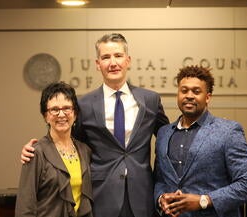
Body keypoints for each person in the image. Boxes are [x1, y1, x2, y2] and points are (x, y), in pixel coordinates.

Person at [21, 33, 170, 217]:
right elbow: (66, 139)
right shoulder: (84, 105)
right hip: (101, 198)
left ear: (128, 60)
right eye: (106, 57)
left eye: (118, 55)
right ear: (98, 64)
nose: (112, 62)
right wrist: (36, 150)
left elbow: (167, 141)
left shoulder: (150, 100)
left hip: (142, 196)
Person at [154, 65, 247, 217]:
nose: (189, 95)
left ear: (208, 97)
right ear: (178, 94)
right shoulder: (163, 134)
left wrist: (204, 200)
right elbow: (159, 180)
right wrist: (160, 198)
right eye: (184, 90)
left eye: (196, 91)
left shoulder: (228, 131)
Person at [15, 81, 93, 217]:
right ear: (45, 116)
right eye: (54, 109)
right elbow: (25, 207)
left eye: (67, 108)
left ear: (75, 114)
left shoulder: (84, 150)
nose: (61, 114)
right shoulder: (36, 152)